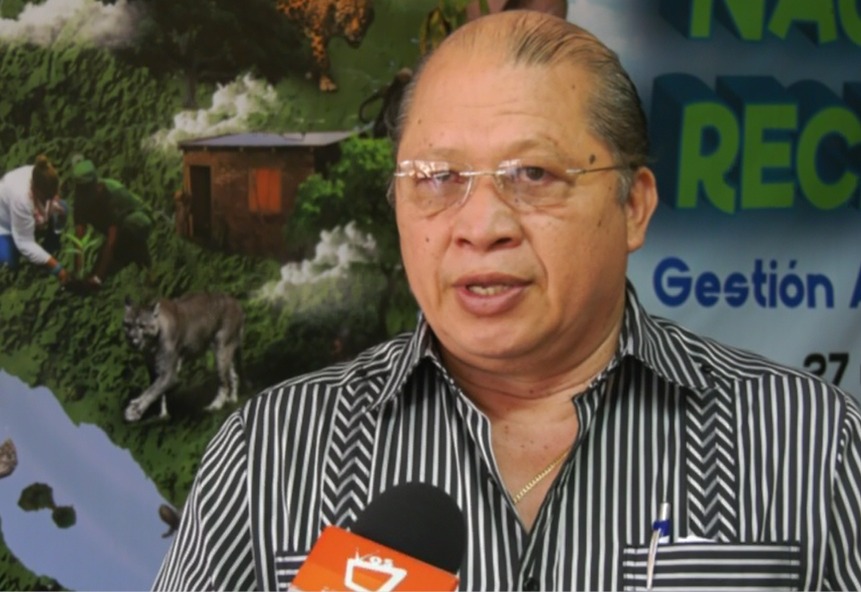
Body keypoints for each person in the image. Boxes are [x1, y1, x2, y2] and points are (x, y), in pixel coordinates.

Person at [153, 11, 861, 591]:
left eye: (532, 173)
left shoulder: (815, 447)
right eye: (435, 176)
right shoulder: (269, 454)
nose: (480, 226)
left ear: (634, 206)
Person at [70, 159, 153, 288]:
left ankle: (144, 264)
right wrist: (77, 275)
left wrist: (98, 277)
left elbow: (112, 236)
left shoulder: (110, 194)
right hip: (115, 227)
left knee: (129, 233)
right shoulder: (80, 199)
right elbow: (79, 236)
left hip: (139, 219)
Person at [0, 155, 69, 284]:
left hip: (28, 212)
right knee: (11, 261)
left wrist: (55, 208)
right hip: (4, 223)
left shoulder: (43, 175)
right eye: (46, 197)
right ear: (36, 190)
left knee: (63, 208)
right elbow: (24, 242)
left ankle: (50, 245)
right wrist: (57, 268)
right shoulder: (21, 197)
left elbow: (55, 200)